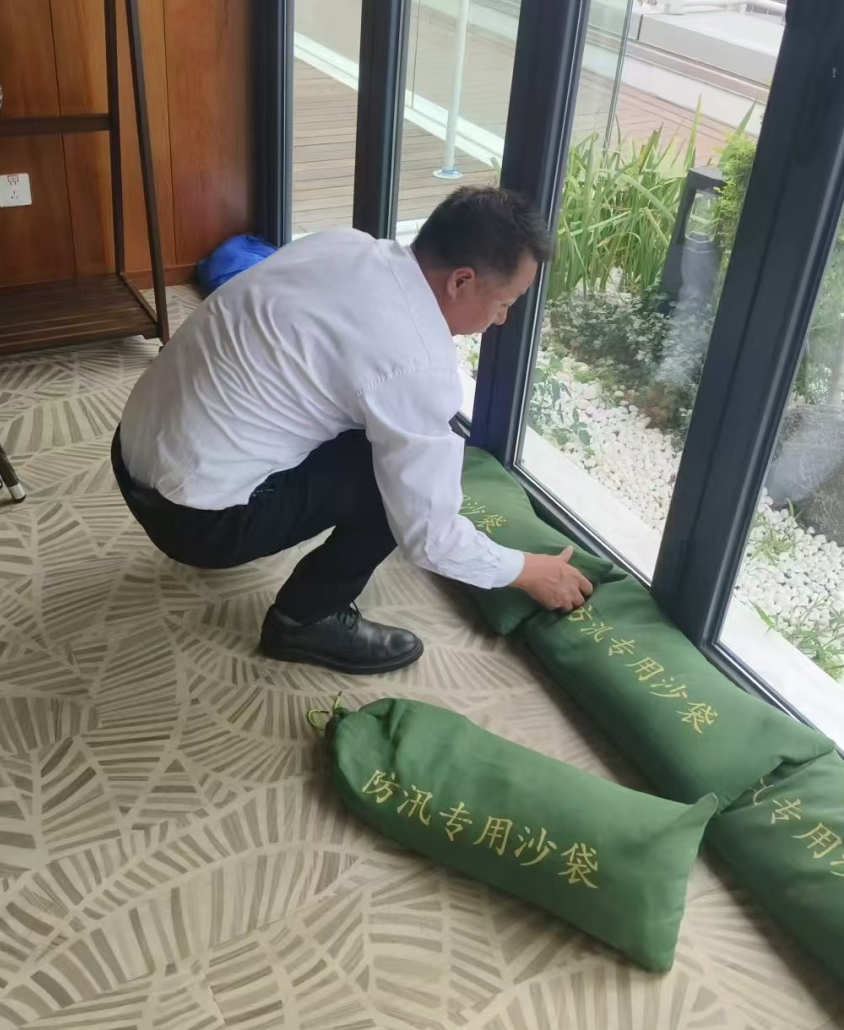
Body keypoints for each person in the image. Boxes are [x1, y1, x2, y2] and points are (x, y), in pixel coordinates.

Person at [112, 186, 593, 674]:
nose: (503, 318)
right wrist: (529, 571)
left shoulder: (342, 243)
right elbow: (429, 537)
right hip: (193, 524)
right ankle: (304, 620)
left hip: (129, 452)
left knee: (387, 437)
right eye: (504, 301)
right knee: (393, 480)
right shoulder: (418, 364)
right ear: (461, 281)